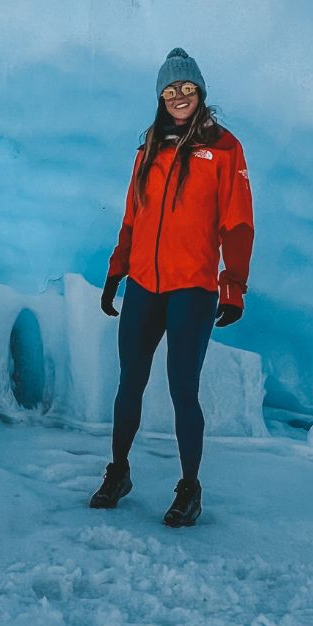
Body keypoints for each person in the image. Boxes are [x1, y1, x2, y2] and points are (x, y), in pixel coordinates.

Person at [90, 47, 254, 527]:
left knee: (184, 390)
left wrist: (234, 286)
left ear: (199, 92)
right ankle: (118, 472)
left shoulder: (225, 149)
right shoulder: (148, 150)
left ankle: (189, 488)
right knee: (130, 385)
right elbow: (132, 218)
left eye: (187, 88)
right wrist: (116, 272)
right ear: (160, 97)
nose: (179, 96)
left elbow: (238, 224)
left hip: (192, 290)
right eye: (170, 89)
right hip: (143, 286)